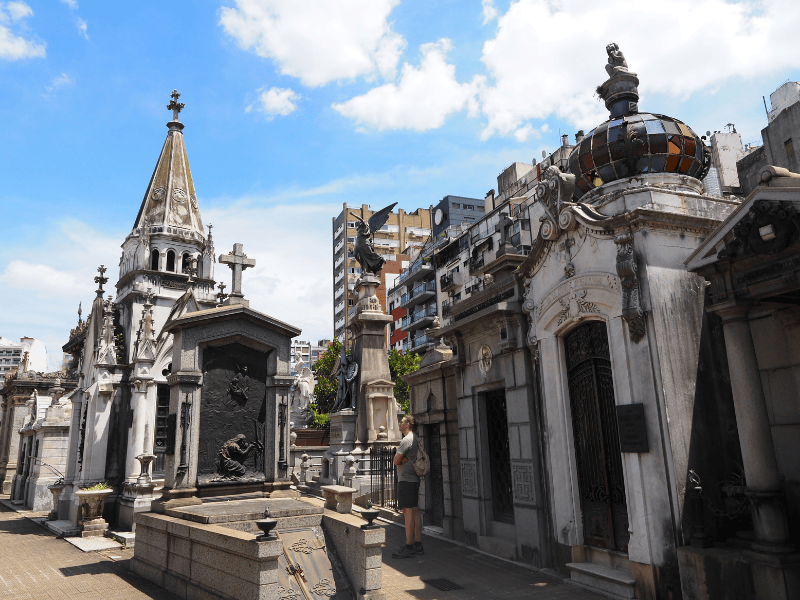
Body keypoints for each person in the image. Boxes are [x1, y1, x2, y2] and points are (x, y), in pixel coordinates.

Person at [392, 415, 423, 558]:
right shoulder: (416, 438)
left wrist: (399, 459)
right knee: (415, 511)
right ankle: (418, 544)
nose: (400, 423)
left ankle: (409, 545)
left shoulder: (406, 440)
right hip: (414, 479)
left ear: (408, 424)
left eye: (402, 421)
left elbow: (396, 460)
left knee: (407, 512)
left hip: (406, 480)